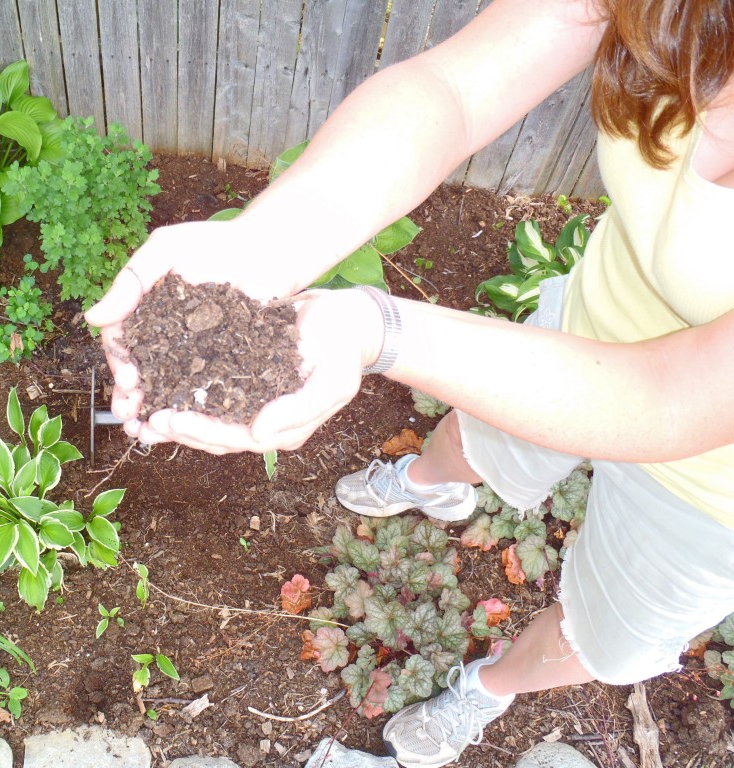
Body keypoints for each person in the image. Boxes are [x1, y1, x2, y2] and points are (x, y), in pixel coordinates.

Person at [85, 0, 734, 765]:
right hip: (587, 326)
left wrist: (377, 331)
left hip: (712, 499)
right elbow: (458, 90)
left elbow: (667, 398)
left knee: (605, 631)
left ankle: (490, 688)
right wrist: (266, 244)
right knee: (476, 439)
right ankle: (432, 482)